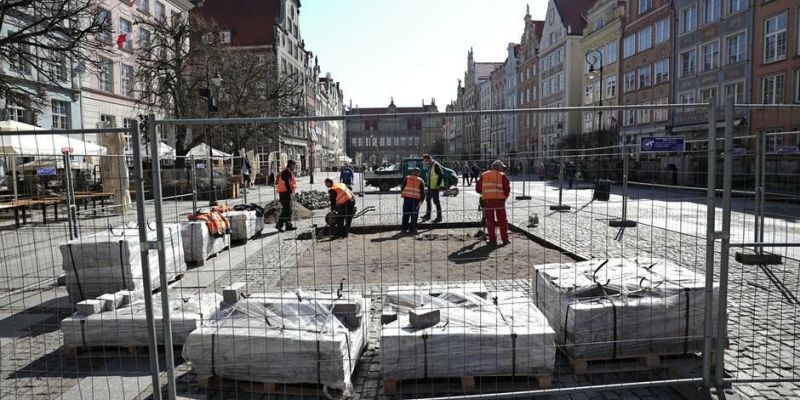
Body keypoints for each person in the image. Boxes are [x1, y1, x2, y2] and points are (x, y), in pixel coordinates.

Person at [476, 160, 511, 246]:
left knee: (490, 220)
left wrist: (485, 193)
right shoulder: (502, 175)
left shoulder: (484, 175)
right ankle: (505, 239)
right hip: (500, 201)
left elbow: (478, 188)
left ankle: (492, 240)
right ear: (498, 167)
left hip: (488, 200)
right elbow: (507, 189)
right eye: (502, 167)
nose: (503, 169)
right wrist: (504, 197)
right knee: (502, 220)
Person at [400, 168, 426, 234]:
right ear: (418, 173)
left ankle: (404, 229)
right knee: (414, 214)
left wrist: (406, 193)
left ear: (412, 172)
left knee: (406, 214)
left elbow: (402, 187)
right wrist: (422, 200)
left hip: (407, 198)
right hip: (416, 200)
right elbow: (423, 192)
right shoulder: (420, 180)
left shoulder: (407, 178)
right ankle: (412, 228)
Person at [421, 154, 444, 223]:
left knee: (436, 201)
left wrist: (437, 185)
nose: (425, 162)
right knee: (428, 200)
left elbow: (441, 175)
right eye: (425, 161)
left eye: (426, 161)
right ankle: (428, 215)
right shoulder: (430, 166)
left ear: (429, 159)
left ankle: (439, 217)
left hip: (435, 187)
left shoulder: (435, 165)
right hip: (430, 186)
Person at [275, 160, 297, 231]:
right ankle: (279, 224)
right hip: (285, 193)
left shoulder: (287, 171)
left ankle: (288, 225)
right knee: (286, 209)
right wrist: (290, 192)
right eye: (294, 165)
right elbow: (287, 183)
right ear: (291, 165)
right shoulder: (286, 172)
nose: (295, 167)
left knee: (288, 209)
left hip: (285, 192)